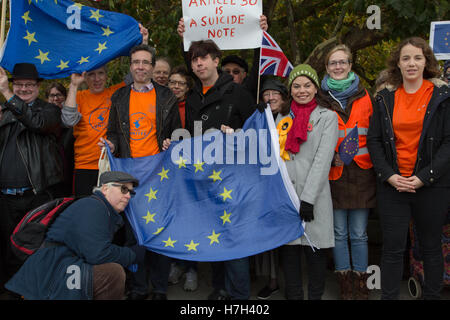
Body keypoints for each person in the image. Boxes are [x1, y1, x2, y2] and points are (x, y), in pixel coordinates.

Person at [177, 19, 256, 299]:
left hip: (233, 178)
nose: (198, 64)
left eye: (203, 59)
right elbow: (195, 135)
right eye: (194, 60)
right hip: (204, 177)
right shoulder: (195, 95)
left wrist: (236, 135)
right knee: (214, 236)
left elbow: (255, 134)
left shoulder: (237, 93)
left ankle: (240, 297)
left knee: (233, 240)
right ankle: (220, 289)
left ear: (216, 61)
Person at [367, 37, 450, 300]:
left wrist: (424, 178)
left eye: (417, 57)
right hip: (393, 186)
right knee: (392, 249)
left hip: (432, 186)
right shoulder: (385, 99)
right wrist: (389, 176)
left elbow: (448, 142)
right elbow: (374, 140)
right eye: (406, 58)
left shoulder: (443, 97)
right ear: (398, 64)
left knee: (431, 247)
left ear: (426, 62)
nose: (411, 63)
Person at [101, 44, 181, 300]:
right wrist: (111, 143)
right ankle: (137, 287)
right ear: (131, 65)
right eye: (136, 62)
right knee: (134, 235)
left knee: (159, 233)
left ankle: (158, 288)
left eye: (146, 62)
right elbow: (112, 132)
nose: (141, 67)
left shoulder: (167, 96)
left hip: (159, 176)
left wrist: (172, 141)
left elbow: (177, 134)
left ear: (152, 66)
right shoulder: (119, 97)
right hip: (129, 176)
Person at [5, 171, 140, 300]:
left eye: (131, 192)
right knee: (114, 273)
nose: (128, 195)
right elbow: (99, 254)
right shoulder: (94, 207)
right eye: (123, 189)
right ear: (105, 189)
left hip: (53, 267)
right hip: (51, 271)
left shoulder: (99, 207)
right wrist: (133, 254)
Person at [61, 24, 149, 197]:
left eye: (100, 73)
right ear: (85, 77)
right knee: (86, 211)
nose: (96, 79)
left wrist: (144, 43)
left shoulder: (116, 92)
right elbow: (68, 121)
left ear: (106, 75)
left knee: (111, 211)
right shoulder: (79, 96)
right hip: (85, 166)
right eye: (91, 74)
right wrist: (73, 85)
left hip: (112, 164)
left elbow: (139, 74)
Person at [0, 63, 64, 294]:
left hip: (35, 197)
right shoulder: (4, 111)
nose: (23, 89)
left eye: (29, 85)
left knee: (31, 250)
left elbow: (35, 123)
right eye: (18, 84)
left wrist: (7, 93)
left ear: (38, 87)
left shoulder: (50, 111)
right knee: (6, 252)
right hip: (4, 199)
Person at [276, 64, 338, 300]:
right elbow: (277, 156)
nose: (302, 90)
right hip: (287, 197)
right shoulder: (281, 116)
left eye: (307, 85)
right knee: (289, 255)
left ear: (315, 88)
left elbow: (323, 161)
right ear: (290, 90)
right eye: (296, 86)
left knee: (315, 255)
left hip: (315, 197)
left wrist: (308, 199)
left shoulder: (327, 117)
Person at [321, 44, 376, 300]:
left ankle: (361, 283)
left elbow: (376, 134)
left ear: (351, 65)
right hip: (334, 174)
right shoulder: (320, 98)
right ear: (327, 67)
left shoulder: (366, 96)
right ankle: (344, 284)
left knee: (359, 234)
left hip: (363, 173)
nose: (338, 66)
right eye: (333, 63)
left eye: (343, 62)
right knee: (339, 233)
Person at [254, 78, 289, 300]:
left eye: (275, 93)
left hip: (287, 182)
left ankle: (292, 283)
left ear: (284, 98)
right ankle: (272, 280)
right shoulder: (259, 117)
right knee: (269, 234)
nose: (270, 97)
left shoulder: (291, 117)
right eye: (266, 93)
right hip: (264, 182)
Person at [46, 82, 75, 197]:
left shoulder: (70, 117)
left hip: (69, 162)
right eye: (52, 95)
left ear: (65, 97)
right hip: (50, 167)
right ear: (47, 98)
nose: (55, 98)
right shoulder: (42, 117)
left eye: (59, 95)